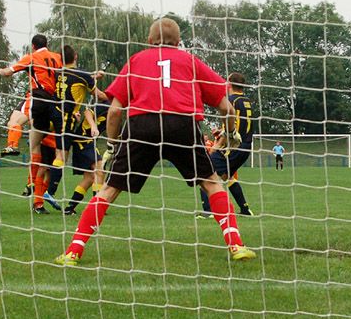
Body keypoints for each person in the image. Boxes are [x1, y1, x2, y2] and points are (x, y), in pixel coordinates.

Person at [55, 17, 256, 265]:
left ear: (149, 41)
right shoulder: (190, 61)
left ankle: (74, 250)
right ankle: (236, 245)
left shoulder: (137, 60)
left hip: (142, 125)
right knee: (212, 183)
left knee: (109, 188)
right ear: (179, 42)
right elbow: (226, 108)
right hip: (182, 124)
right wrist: (231, 134)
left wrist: (112, 145)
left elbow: (115, 111)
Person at [0, 34, 63, 214]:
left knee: (17, 124)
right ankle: (36, 194)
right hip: (56, 106)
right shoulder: (57, 57)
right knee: (47, 157)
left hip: (38, 99)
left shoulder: (32, 57)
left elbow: (9, 71)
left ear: (33, 46)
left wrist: (0, 71)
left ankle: (12, 146)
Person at [42, 45, 105, 208]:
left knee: (61, 154)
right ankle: (50, 191)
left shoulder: (59, 72)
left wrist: (94, 76)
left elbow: (78, 79)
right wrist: (115, 96)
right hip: (66, 116)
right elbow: (98, 94)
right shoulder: (82, 75)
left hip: (55, 112)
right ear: (75, 56)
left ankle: (54, 194)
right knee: (61, 156)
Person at [198, 72, 255, 217]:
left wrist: (216, 147)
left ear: (229, 84)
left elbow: (230, 130)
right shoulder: (246, 101)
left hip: (232, 146)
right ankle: (245, 209)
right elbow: (239, 125)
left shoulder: (231, 100)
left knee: (205, 172)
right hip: (246, 147)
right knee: (228, 178)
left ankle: (209, 211)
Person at [0, 90, 30, 157]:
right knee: (12, 123)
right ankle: (12, 147)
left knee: (14, 123)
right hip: (32, 96)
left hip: (37, 96)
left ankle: (12, 146)